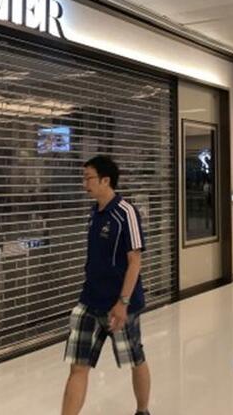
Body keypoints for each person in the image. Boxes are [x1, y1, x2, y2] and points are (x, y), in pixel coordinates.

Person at [61, 156, 151, 415]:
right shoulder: (94, 213)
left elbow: (135, 261)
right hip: (89, 301)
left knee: (135, 358)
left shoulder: (126, 213)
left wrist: (123, 303)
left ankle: (142, 410)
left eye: (88, 178)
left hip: (120, 305)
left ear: (105, 180)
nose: (84, 184)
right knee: (78, 366)